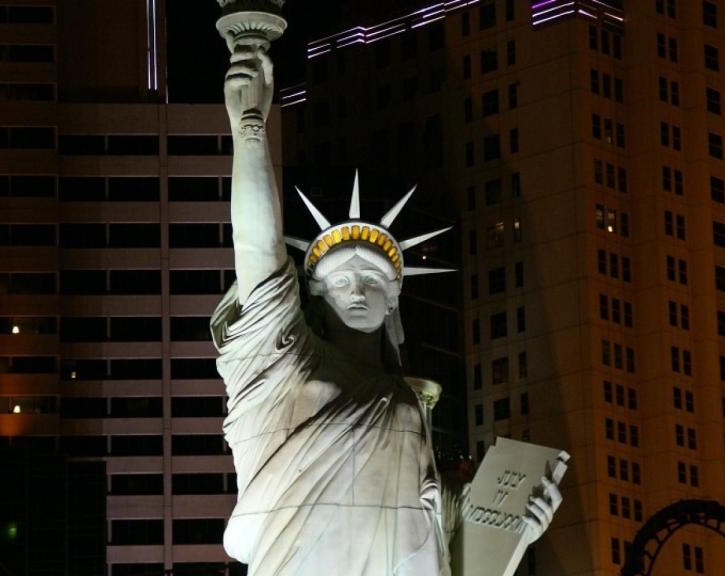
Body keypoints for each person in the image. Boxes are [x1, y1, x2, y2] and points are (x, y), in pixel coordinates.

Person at [211, 38, 561, 576]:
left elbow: (445, 533)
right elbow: (258, 253)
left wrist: (518, 521)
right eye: (342, 278)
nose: (357, 289)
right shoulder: (288, 367)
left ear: (394, 298)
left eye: (372, 279)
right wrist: (250, 129)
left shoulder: (405, 404)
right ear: (316, 298)